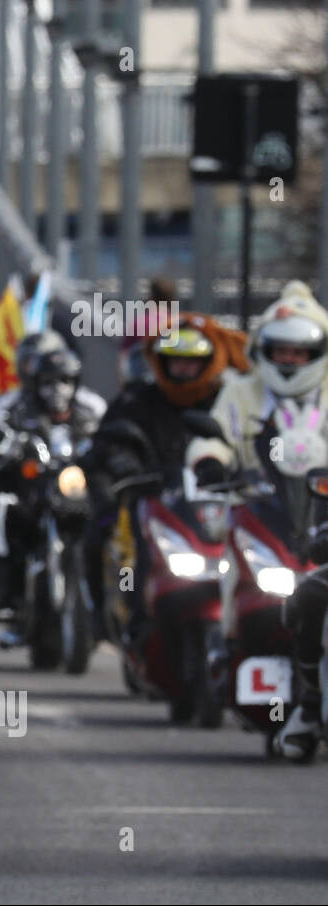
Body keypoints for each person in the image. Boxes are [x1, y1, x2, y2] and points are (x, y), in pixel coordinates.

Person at [185, 282, 328, 758]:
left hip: (322, 518)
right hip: (260, 508)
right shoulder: (240, 392)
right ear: (264, 350)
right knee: (228, 571)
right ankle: (228, 641)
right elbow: (215, 437)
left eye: (299, 351)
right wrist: (209, 459)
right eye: (280, 349)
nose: (289, 359)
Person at [81, 315, 248, 651]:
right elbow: (105, 444)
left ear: (208, 362)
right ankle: (109, 616)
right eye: (176, 361)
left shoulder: (228, 400)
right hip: (150, 499)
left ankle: (249, 622)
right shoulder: (138, 398)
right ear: (160, 362)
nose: (183, 369)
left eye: (192, 362)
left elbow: (248, 443)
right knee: (97, 532)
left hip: (216, 505)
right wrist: (123, 464)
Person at [0, 339, 105, 636]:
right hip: (34, 488)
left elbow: (110, 430)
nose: (57, 389)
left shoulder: (92, 406)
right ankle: (3, 587)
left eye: (65, 382)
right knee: (0, 505)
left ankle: (117, 597)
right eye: (49, 382)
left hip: (76, 487)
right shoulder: (17, 403)